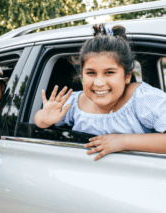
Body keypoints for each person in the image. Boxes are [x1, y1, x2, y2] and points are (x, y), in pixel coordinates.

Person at [34, 24, 166, 161]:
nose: (98, 83)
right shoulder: (74, 102)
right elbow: (39, 121)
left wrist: (122, 141)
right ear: (81, 76)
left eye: (109, 72)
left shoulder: (142, 98)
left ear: (127, 76)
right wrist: (43, 118)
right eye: (91, 73)